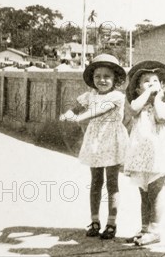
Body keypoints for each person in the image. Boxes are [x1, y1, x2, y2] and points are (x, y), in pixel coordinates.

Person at [59, 53, 129, 239]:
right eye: (97, 76)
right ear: (92, 78)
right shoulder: (89, 95)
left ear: (115, 78)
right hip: (94, 142)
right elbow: (75, 107)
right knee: (96, 182)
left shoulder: (117, 97)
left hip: (112, 141)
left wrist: (78, 118)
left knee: (112, 183)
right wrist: (68, 114)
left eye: (107, 76)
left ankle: (111, 224)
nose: (102, 80)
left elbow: (98, 110)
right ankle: (95, 221)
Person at [123, 60, 165, 246]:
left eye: (155, 80)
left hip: (158, 156)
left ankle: (155, 229)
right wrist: (146, 94)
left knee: (156, 192)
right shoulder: (139, 104)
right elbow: (133, 108)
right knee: (143, 194)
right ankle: (144, 228)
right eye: (146, 81)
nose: (151, 83)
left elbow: (161, 117)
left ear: (162, 86)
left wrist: (158, 99)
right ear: (137, 89)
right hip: (140, 157)